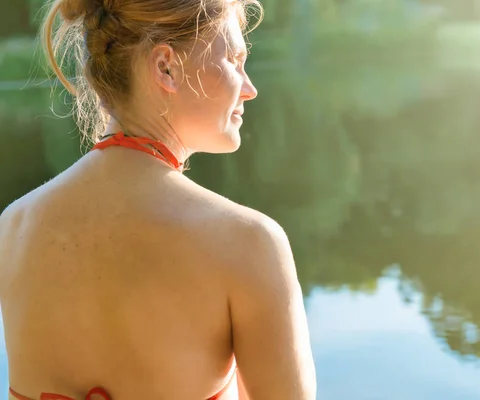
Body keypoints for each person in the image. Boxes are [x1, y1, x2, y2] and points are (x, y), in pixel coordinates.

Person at [0, 0, 317, 399]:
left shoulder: (14, 226)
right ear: (166, 66)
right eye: (235, 60)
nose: (250, 89)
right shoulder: (248, 242)